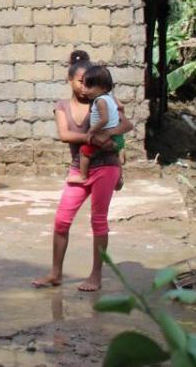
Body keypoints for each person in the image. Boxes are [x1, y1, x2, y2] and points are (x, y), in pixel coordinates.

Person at [32, 51, 133, 292]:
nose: (84, 87)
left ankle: (96, 276)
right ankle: (56, 273)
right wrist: (93, 138)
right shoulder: (62, 107)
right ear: (70, 80)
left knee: (98, 221)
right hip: (79, 168)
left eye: (88, 82)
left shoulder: (104, 102)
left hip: (106, 167)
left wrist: (119, 164)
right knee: (61, 221)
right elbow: (65, 135)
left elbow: (123, 127)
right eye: (80, 81)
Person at [67, 65, 126, 185]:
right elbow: (120, 107)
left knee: (84, 151)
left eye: (88, 86)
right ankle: (119, 178)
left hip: (107, 137)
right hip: (117, 138)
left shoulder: (100, 101)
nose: (83, 89)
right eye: (82, 84)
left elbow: (104, 120)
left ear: (102, 87)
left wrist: (92, 131)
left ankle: (83, 177)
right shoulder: (108, 97)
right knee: (116, 155)